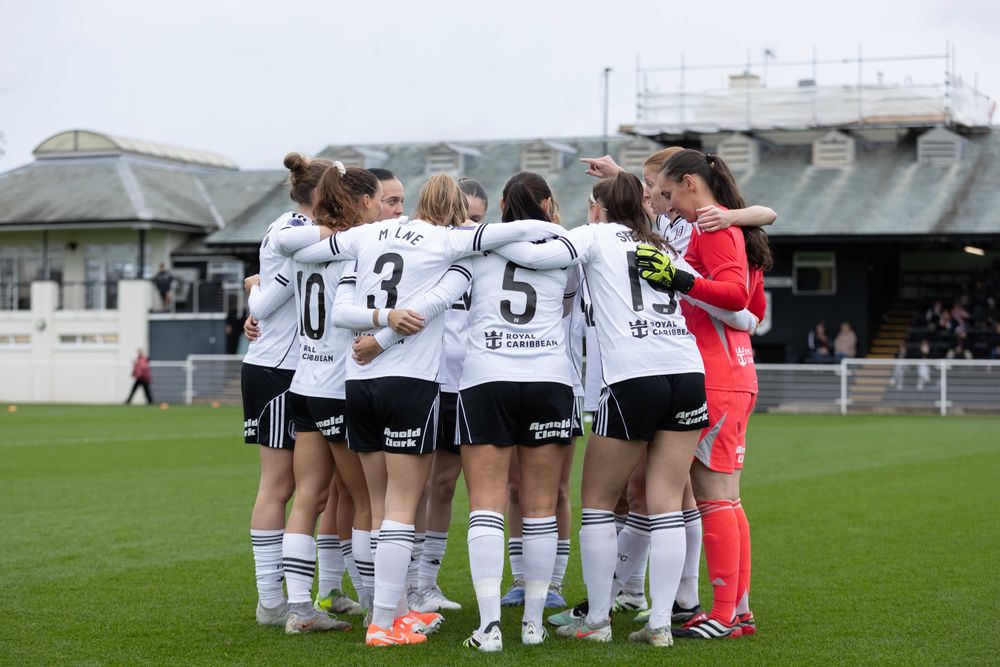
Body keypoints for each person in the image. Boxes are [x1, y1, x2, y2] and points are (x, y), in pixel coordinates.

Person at [291, 174, 561, 647]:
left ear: (414, 202)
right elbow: (506, 238)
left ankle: (393, 612)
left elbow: (314, 269)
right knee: (401, 508)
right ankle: (384, 622)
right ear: (458, 210)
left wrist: (376, 327)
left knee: (376, 506)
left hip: (358, 383)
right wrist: (561, 233)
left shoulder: (368, 236)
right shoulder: (448, 243)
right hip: (409, 384)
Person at [490, 171, 711, 648]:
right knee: (666, 505)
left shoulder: (591, 235)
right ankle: (659, 626)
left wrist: (475, 242)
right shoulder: (664, 247)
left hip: (632, 375)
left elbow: (534, 255)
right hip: (687, 371)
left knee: (595, 505)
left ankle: (598, 620)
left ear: (597, 207)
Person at [635, 148, 773, 639]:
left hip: (714, 375)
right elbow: (751, 308)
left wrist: (678, 278)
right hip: (734, 371)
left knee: (713, 499)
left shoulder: (714, 228)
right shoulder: (734, 226)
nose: (667, 205)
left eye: (669, 193)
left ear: (692, 183)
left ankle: (722, 613)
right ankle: (736, 610)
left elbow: (735, 296)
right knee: (728, 501)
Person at [266, 158, 386, 634]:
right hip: (338, 386)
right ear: (358, 201)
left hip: (304, 383)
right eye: (376, 199)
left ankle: (300, 610)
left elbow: (282, 246)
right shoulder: (354, 245)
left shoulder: (305, 244)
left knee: (308, 499)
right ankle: (380, 607)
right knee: (364, 501)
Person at [240, 152, 328, 627]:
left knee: (311, 487)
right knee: (280, 486)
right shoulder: (291, 229)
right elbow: (267, 297)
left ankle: (289, 598)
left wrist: (254, 288)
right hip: (276, 371)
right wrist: (254, 292)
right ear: (320, 192)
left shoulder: (297, 228)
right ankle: (271, 599)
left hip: (296, 370)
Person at [416, 177, 489, 613]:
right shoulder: (426, 252)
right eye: (461, 217)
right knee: (424, 486)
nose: (467, 227)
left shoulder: (488, 255)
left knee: (454, 486)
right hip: (428, 381)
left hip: (472, 384)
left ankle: (426, 581)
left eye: (477, 220)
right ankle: (412, 582)